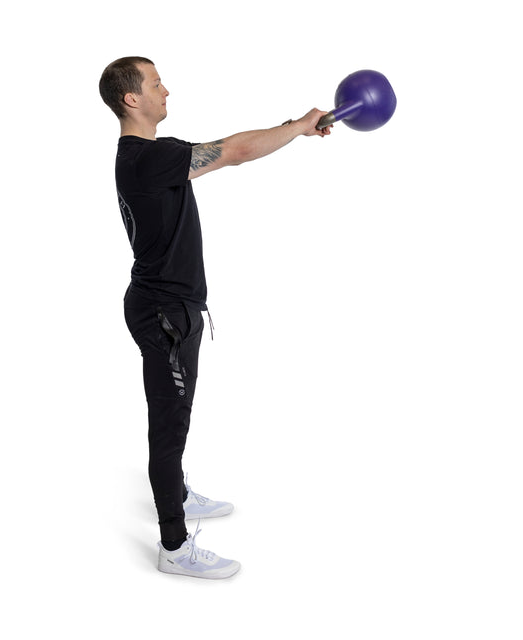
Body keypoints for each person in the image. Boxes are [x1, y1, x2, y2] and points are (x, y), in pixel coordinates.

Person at [99, 56, 333, 579]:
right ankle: (174, 546)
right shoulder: (145, 158)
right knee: (169, 424)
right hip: (165, 315)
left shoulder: (149, 156)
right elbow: (234, 151)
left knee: (175, 417)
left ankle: (175, 488)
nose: (167, 90)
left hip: (167, 307)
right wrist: (297, 125)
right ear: (131, 99)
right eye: (156, 84)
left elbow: (230, 149)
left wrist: (294, 127)